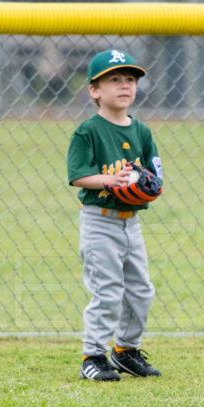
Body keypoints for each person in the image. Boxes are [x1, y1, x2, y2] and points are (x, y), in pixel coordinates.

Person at [67, 49, 164, 382]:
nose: (125, 86)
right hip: (99, 221)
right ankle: (92, 355)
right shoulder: (88, 131)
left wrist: (150, 185)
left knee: (141, 291)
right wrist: (110, 180)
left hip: (131, 223)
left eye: (130, 80)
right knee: (107, 292)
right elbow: (78, 174)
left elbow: (155, 174)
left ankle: (125, 351)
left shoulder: (142, 132)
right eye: (114, 80)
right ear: (94, 90)